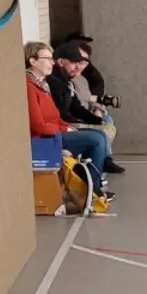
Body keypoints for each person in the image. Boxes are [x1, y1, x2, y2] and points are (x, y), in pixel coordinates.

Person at [26, 41, 113, 206]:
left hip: (54, 133)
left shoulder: (42, 85)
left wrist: (66, 126)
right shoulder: (29, 87)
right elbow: (38, 125)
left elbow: (55, 116)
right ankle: (91, 191)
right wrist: (63, 128)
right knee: (96, 140)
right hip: (44, 140)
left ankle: (90, 187)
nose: (53, 62)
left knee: (99, 135)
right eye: (48, 58)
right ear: (33, 61)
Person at [48, 41, 124, 174]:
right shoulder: (55, 82)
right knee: (98, 136)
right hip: (63, 126)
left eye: (82, 63)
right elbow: (61, 114)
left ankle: (99, 166)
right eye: (74, 63)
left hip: (70, 121)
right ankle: (93, 179)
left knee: (105, 124)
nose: (78, 67)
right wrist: (84, 123)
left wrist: (95, 119)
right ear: (60, 62)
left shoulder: (67, 80)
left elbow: (76, 105)